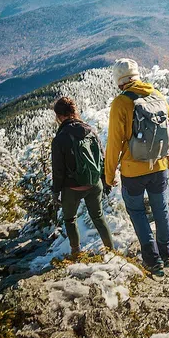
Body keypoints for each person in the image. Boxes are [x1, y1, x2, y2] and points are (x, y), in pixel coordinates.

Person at [105, 58, 169, 276]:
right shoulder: (157, 96)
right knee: (161, 209)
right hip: (159, 167)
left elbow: (114, 143)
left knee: (137, 211)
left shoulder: (121, 103)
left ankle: (153, 260)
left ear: (119, 81)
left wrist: (109, 174)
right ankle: (167, 255)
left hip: (133, 171)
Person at [51, 97, 115, 255]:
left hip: (72, 187)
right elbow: (102, 157)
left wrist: (56, 191)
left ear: (59, 116)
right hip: (94, 184)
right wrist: (105, 181)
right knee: (98, 217)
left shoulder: (59, 139)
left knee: (70, 219)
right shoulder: (90, 130)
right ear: (74, 112)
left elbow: (58, 170)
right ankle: (111, 250)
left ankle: (76, 252)